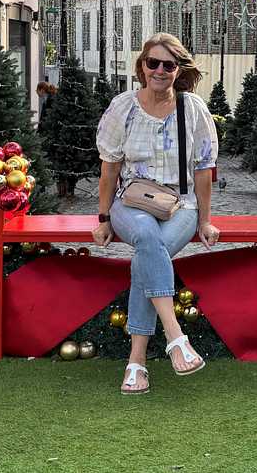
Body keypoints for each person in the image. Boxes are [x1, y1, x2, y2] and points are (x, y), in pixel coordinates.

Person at [92, 33, 220, 395]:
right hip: (131, 202)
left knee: (146, 257)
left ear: (178, 70)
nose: (160, 71)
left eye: (169, 64)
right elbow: (109, 171)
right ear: (142, 67)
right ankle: (175, 336)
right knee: (147, 238)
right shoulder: (123, 107)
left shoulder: (192, 108)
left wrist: (205, 220)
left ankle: (137, 362)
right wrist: (103, 219)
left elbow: (203, 170)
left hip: (181, 204)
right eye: (153, 63)